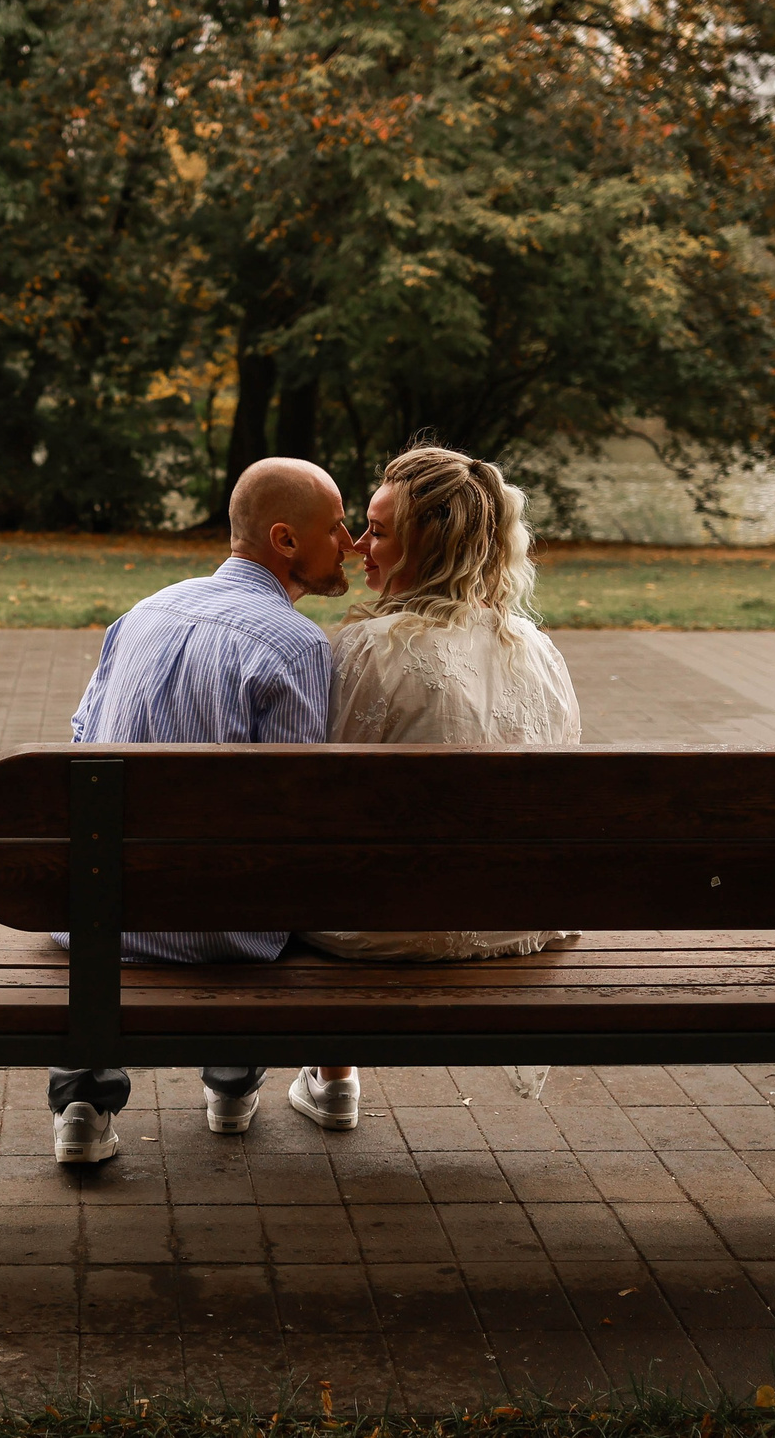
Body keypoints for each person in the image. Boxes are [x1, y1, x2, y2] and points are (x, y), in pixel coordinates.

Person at [49, 456, 353, 1165]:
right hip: (222, 939)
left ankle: (83, 1106)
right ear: (285, 540)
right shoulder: (298, 645)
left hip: (96, 922)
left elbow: (80, 740)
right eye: (336, 526)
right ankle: (232, 1081)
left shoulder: (144, 610)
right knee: (272, 882)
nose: (348, 542)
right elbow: (292, 816)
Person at [285, 444, 585, 1127]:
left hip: (377, 931)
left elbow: (322, 811)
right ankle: (330, 1079)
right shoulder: (537, 651)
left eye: (380, 530)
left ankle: (335, 1077)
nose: (360, 544)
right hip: (514, 921)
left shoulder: (363, 649)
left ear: (433, 547)